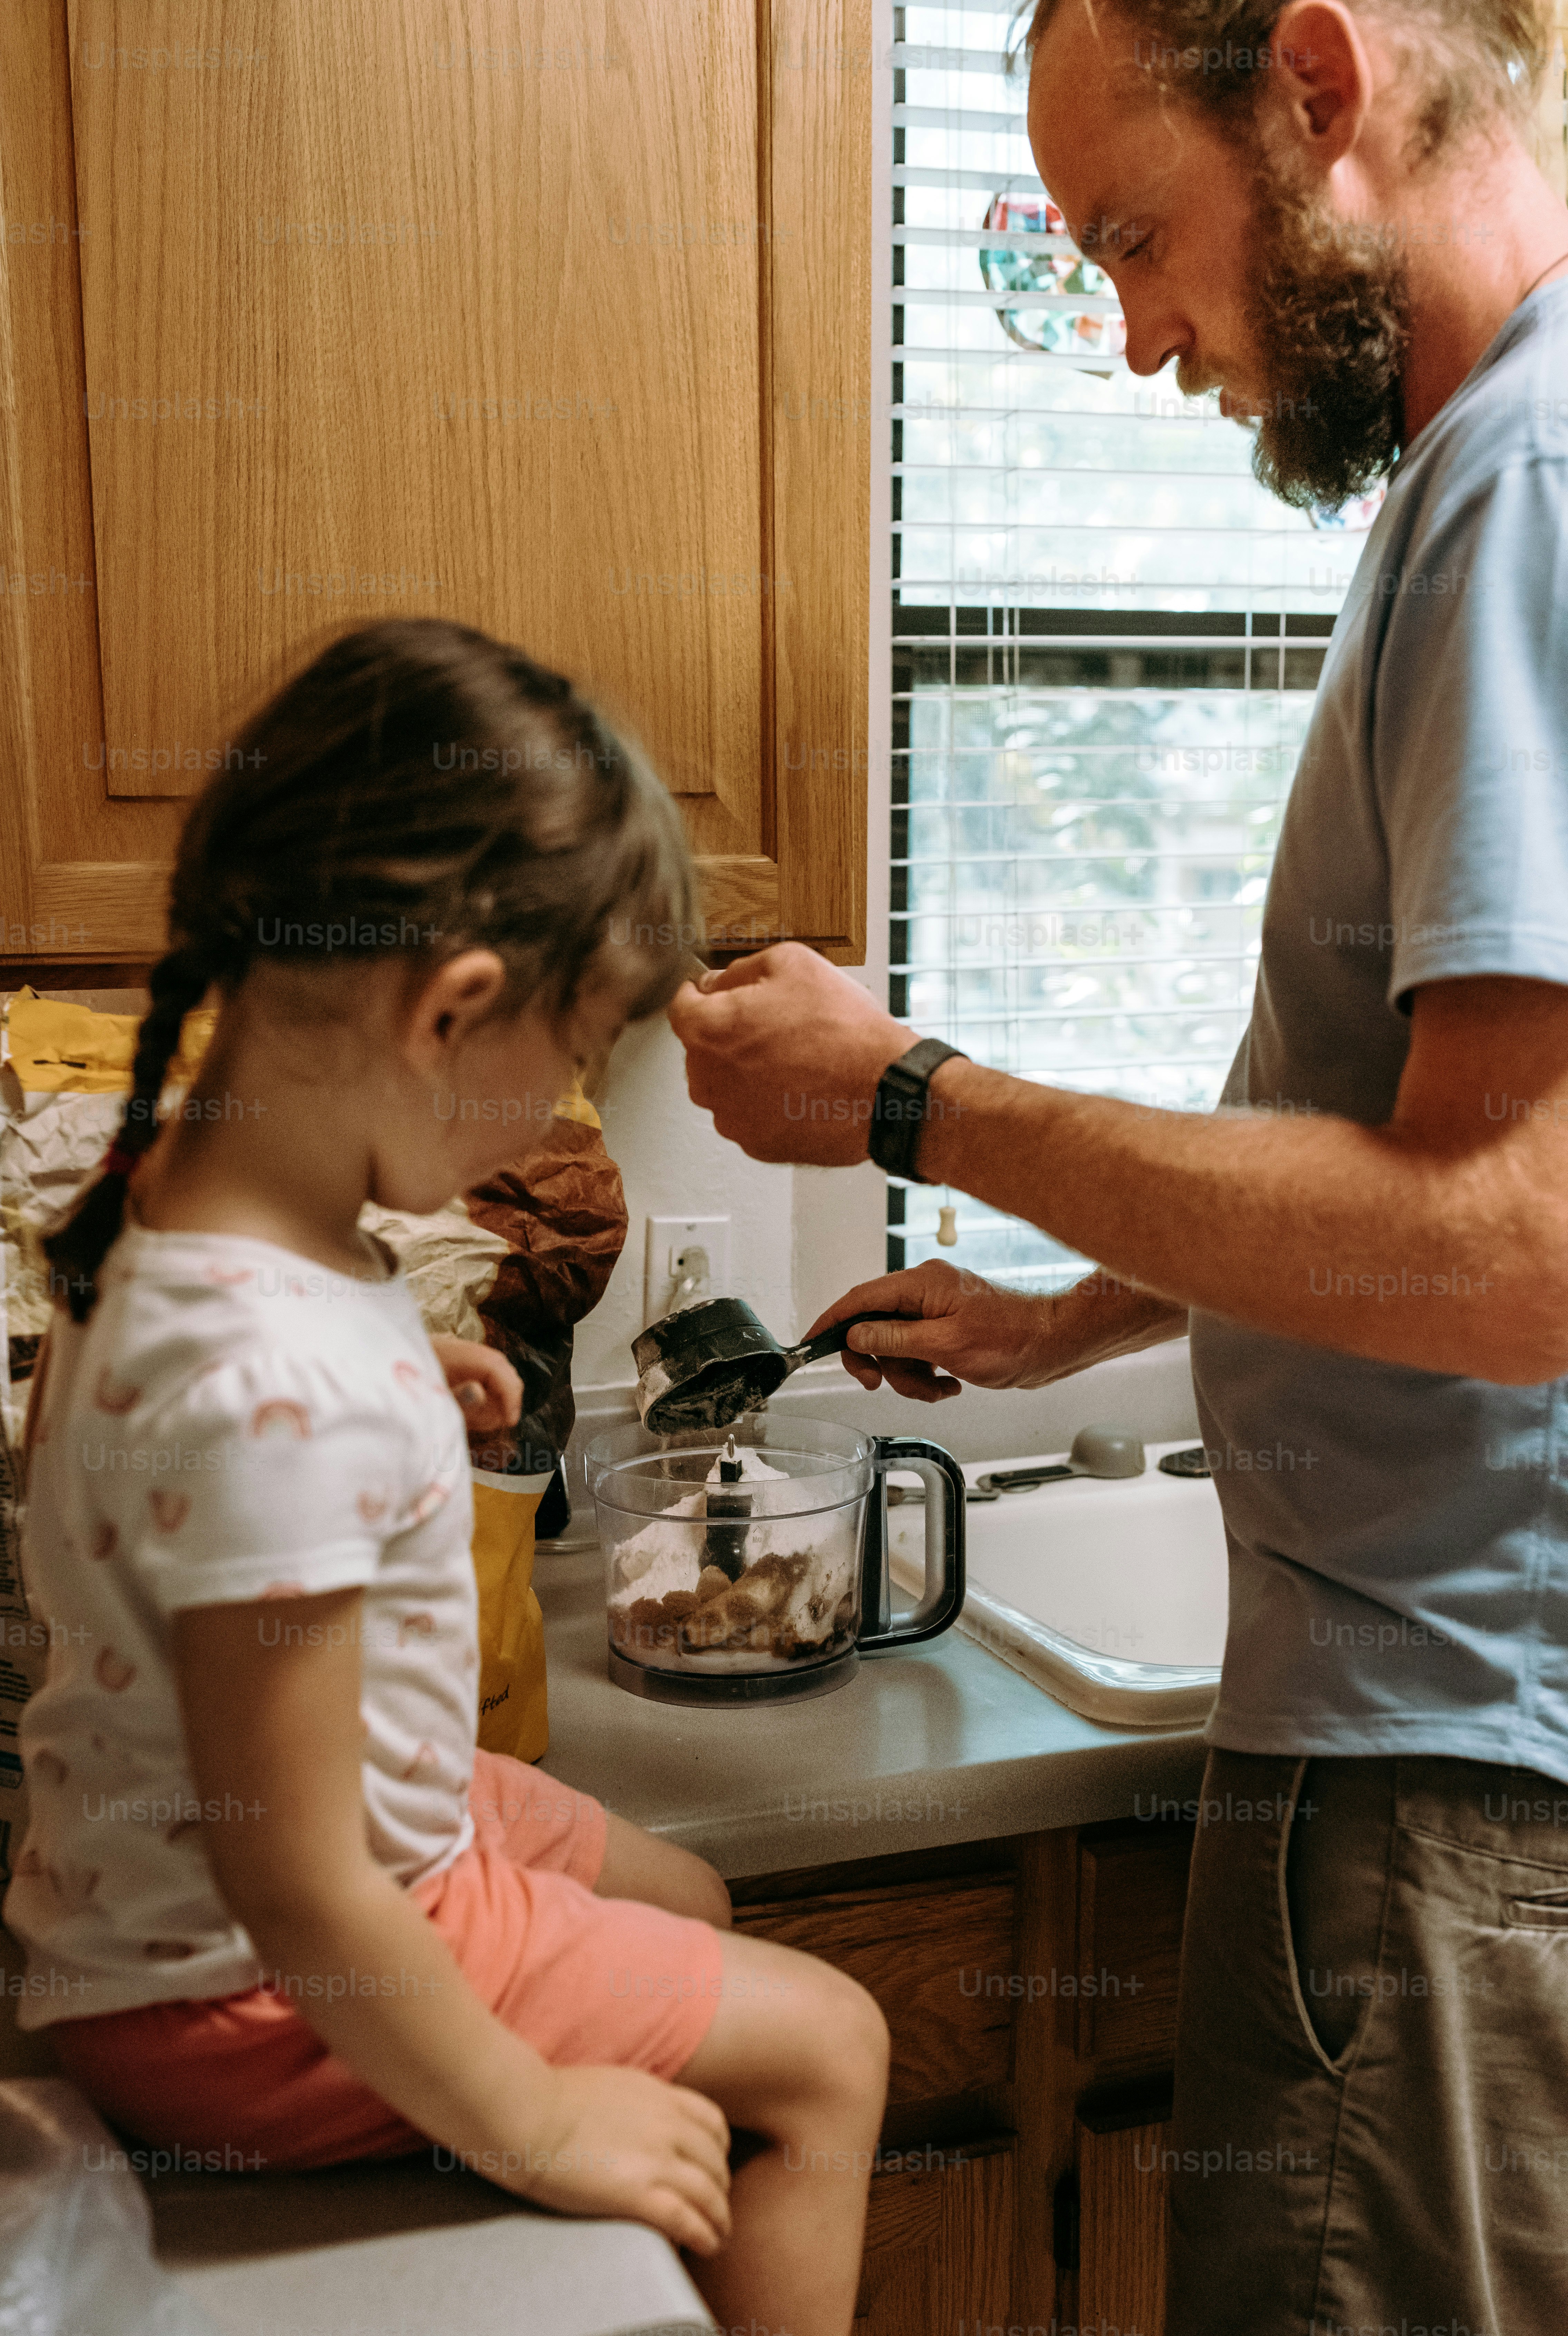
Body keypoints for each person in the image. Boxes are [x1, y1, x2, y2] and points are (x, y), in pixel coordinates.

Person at [669, 3, 1568, 2329]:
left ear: (1317, 87)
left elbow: (1512, 1253)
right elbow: (1407, 1148)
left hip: (1434, 1769)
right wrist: (1081, 1308)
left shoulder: (1523, 489)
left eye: (1136, 240)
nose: (1144, 339)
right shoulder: (1488, 480)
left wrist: (906, 1099)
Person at [9, 619, 887, 2336]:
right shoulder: (281, 1379)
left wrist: (391, 1383)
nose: (559, 1115)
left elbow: (152, 1491)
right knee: (832, 2047)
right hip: (246, 1986)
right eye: (566, 1059)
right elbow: (301, 1875)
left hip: (159, 1899)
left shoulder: (169, 1224)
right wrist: (536, 2116)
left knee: (684, 1897)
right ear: (450, 1012)